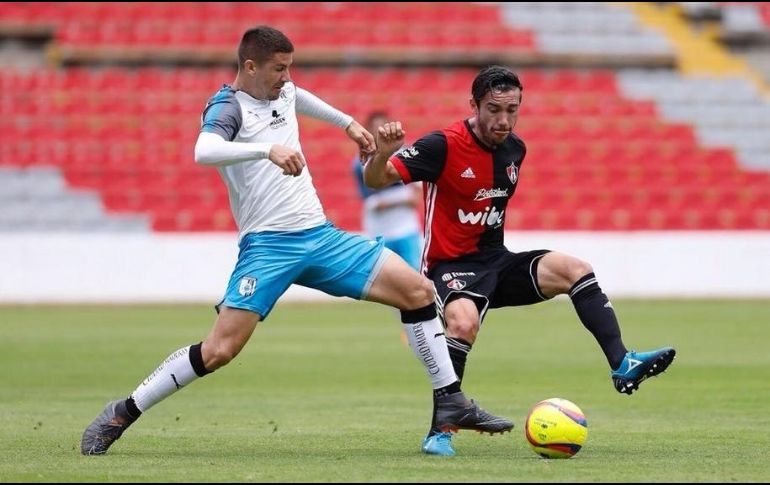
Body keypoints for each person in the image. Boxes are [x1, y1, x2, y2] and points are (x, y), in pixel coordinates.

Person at [80, 27, 514, 456]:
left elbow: (298, 97)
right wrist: (265, 149)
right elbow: (204, 150)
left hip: (320, 236)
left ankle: (450, 401)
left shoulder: (282, 91)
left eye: (289, 67)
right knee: (219, 350)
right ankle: (123, 411)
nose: (286, 77)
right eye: (279, 69)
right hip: (268, 247)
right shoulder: (228, 107)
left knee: (417, 291)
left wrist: (347, 123)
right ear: (250, 67)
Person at [363, 65, 676, 457]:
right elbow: (375, 180)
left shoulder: (515, 150)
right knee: (464, 323)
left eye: (512, 110)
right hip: (450, 266)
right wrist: (383, 153)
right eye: (494, 109)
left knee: (575, 270)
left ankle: (622, 362)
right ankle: (440, 432)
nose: (504, 120)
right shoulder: (442, 145)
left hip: (497, 262)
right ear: (474, 105)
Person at [352, 111, 422, 272]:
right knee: (383, 275)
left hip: (407, 229)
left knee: (413, 273)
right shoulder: (361, 162)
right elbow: (372, 202)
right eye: (375, 129)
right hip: (379, 231)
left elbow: (415, 197)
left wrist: (389, 202)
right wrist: (401, 199)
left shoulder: (406, 155)